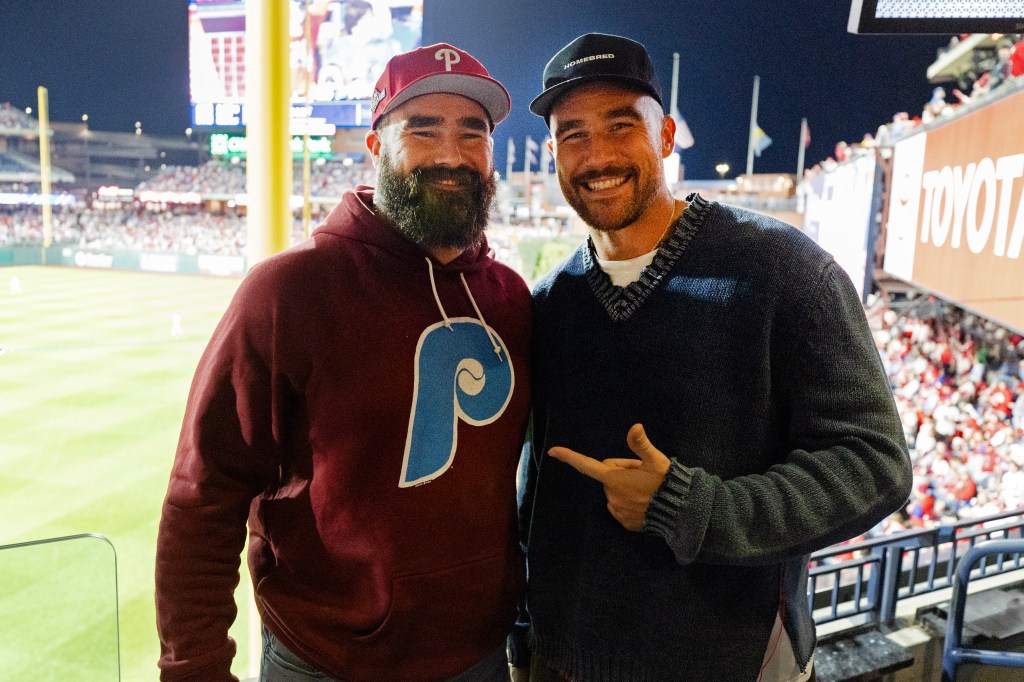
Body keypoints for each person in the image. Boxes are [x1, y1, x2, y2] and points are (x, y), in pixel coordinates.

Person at [510, 33, 913, 682]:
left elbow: (874, 465)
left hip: (728, 660)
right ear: (553, 152)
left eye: (621, 124)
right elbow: (540, 494)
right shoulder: (551, 301)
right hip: (566, 659)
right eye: (573, 134)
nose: (598, 155)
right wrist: (526, 636)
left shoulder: (785, 270)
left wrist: (691, 508)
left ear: (666, 134)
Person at [156, 43, 532, 682]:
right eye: (422, 128)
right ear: (376, 145)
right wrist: (194, 665)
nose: (451, 154)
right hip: (327, 662)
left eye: (474, 131)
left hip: (479, 660)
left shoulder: (511, 299)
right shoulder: (288, 291)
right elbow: (204, 493)